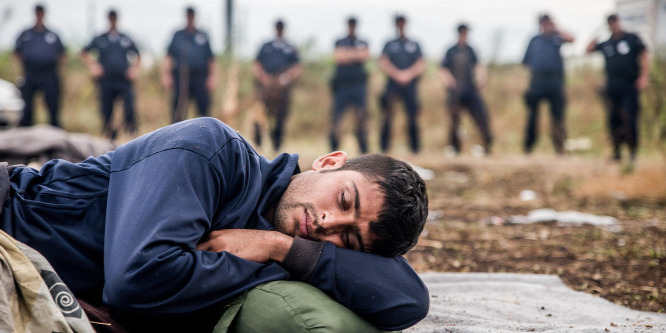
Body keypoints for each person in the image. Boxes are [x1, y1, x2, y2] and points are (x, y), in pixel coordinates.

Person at [0, 117, 429, 332]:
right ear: (329, 162)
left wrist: (278, 248)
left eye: (347, 238)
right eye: (343, 199)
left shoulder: (276, 238)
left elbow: (408, 300)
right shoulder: (211, 149)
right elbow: (138, 279)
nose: (327, 223)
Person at [586, 14, 650, 162]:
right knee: (613, 119)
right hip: (612, 86)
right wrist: (597, 32)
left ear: (619, 22)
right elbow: (588, 50)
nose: (613, 25)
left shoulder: (632, 38)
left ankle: (633, 153)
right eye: (610, 23)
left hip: (630, 85)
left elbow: (645, 54)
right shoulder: (607, 43)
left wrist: (644, 77)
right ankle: (617, 152)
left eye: (615, 21)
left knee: (630, 118)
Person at [80, 9, 141, 139]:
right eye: (111, 18)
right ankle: (109, 136)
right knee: (106, 109)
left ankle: (131, 133)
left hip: (123, 79)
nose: (112, 20)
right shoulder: (100, 38)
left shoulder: (125, 38)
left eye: (114, 18)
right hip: (106, 80)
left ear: (117, 19)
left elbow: (138, 55)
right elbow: (84, 53)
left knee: (129, 107)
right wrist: (93, 66)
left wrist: (134, 70)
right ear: (108, 19)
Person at [522, 14, 574, 155]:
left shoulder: (557, 38)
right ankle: (528, 148)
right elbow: (526, 62)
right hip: (537, 82)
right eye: (544, 23)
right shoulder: (534, 40)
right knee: (533, 117)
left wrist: (556, 29)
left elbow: (572, 39)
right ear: (540, 24)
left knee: (558, 117)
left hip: (555, 82)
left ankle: (560, 148)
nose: (546, 25)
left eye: (548, 23)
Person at [439, 23, 493, 156]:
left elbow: (478, 66)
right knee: (454, 119)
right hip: (455, 90)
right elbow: (443, 69)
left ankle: (486, 146)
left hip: (470, 88)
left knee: (481, 116)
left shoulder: (471, 50)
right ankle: (454, 148)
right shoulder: (451, 50)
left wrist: (481, 79)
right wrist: (449, 82)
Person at [379, 15, 426, 154]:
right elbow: (383, 61)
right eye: (398, 23)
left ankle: (415, 148)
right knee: (387, 116)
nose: (401, 25)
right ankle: (384, 148)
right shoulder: (389, 44)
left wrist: (408, 74)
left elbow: (421, 62)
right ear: (395, 25)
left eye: (402, 23)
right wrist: (397, 74)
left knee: (412, 116)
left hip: (410, 85)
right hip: (392, 85)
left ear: (406, 24)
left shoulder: (414, 43)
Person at [161, 6, 217, 123]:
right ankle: (175, 135)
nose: (190, 18)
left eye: (192, 15)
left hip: (200, 77)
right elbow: (169, 56)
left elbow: (211, 59)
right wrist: (166, 75)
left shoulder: (202, 35)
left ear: (194, 17)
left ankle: (205, 133)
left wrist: (212, 77)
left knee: (203, 110)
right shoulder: (178, 35)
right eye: (188, 15)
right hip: (181, 77)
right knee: (178, 109)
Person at [253, 20, 302, 152]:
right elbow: (257, 64)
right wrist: (264, 78)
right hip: (266, 87)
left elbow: (297, 66)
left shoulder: (290, 47)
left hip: (282, 89)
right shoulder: (266, 46)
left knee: (281, 117)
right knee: (260, 115)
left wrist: (287, 77)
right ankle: (258, 144)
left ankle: (276, 146)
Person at [13, 4, 65, 128]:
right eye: (37, 12)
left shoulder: (52, 34)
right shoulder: (26, 34)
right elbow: (17, 52)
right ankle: (25, 134)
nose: (39, 15)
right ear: (35, 14)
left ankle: (55, 133)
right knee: (27, 108)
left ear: (44, 14)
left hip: (49, 75)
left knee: (53, 106)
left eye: (41, 13)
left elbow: (62, 54)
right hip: (31, 74)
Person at [329, 17, 370, 154]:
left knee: (361, 118)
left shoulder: (362, 41)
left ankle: (364, 151)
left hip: (359, 86)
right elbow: (338, 57)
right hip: (342, 86)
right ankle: (333, 150)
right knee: (337, 118)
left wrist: (347, 54)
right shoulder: (339, 41)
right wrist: (355, 54)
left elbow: (365, 55)